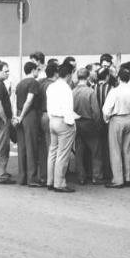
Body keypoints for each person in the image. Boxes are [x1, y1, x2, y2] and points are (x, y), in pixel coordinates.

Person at [46, 63, 79, 193]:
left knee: (52, 152)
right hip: (64, 122)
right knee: (63, 154)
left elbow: (49, 106)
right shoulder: (66, 89)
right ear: (69, 74)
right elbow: (68, 109)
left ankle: (50, 181)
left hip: (53, 120)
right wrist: (71, 123)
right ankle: (59, 183)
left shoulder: (51, 86)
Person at [102, 68, 130, 189]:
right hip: (129, 118)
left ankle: (118, 179)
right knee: (128, 150)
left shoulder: (114, 91)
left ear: (118, 78)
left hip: (116, 119)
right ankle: (128, 177)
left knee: (115, 150)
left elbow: (106, 110)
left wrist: (107, 119)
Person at [14, 62, 43, 186]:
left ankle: (22, 177)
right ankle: (32, 178)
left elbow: (15, 101)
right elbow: (29, 100)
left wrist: (17, 116)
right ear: (32, 70)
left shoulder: (20, 83)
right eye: (37, 70)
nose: (38, 72)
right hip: (29, 115)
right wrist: (22, 116)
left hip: (20, 114)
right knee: (31, 146)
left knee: (22, 147)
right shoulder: (33, 83)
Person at [73, 68, 103, 185]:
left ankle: (81, 176)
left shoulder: (73, 91)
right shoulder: (90, 92)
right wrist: (98, 124)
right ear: (88, 77)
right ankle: (96, 176)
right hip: (89, 123)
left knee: (79, 151)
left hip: (77, 123)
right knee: (96, 151)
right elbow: (96, 111)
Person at [39, 63, 58, 185]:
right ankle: (50, 177)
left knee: (44, 148)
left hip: (41, 115)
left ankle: (43, 174)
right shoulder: (53, 86)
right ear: (56, 73)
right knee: (52, 148)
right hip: (50, 116)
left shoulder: (41, 83)